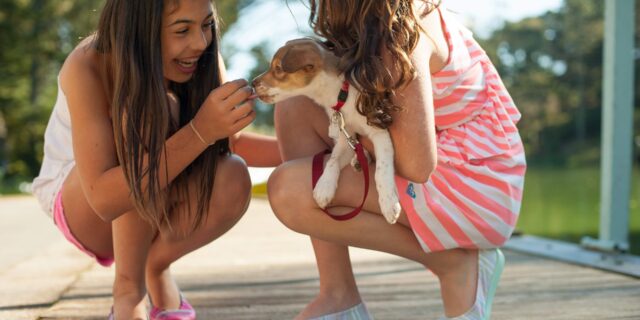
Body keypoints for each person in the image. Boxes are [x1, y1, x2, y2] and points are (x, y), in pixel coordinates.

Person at [267, 0, 526, 319]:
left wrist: (358, 140)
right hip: (476, 173)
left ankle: (454, 263)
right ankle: (338, 294)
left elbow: (417, 166)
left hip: (476, 190)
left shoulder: (402, 35)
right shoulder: (381, 23)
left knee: (290, 191)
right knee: (296, 106)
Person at [31, 0, 280, 319]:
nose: (200, 43)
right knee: (146, 108)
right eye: (182, 30)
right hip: (84, 206)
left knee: (233, 174)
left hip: (151, 198)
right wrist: (201, 129)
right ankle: (128, 294)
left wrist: (320, 147)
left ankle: (156, 266)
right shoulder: (89, 63)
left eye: (207, 25)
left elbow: (231, 143)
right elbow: (103, 200)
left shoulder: (201, 58)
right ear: (139, 27)